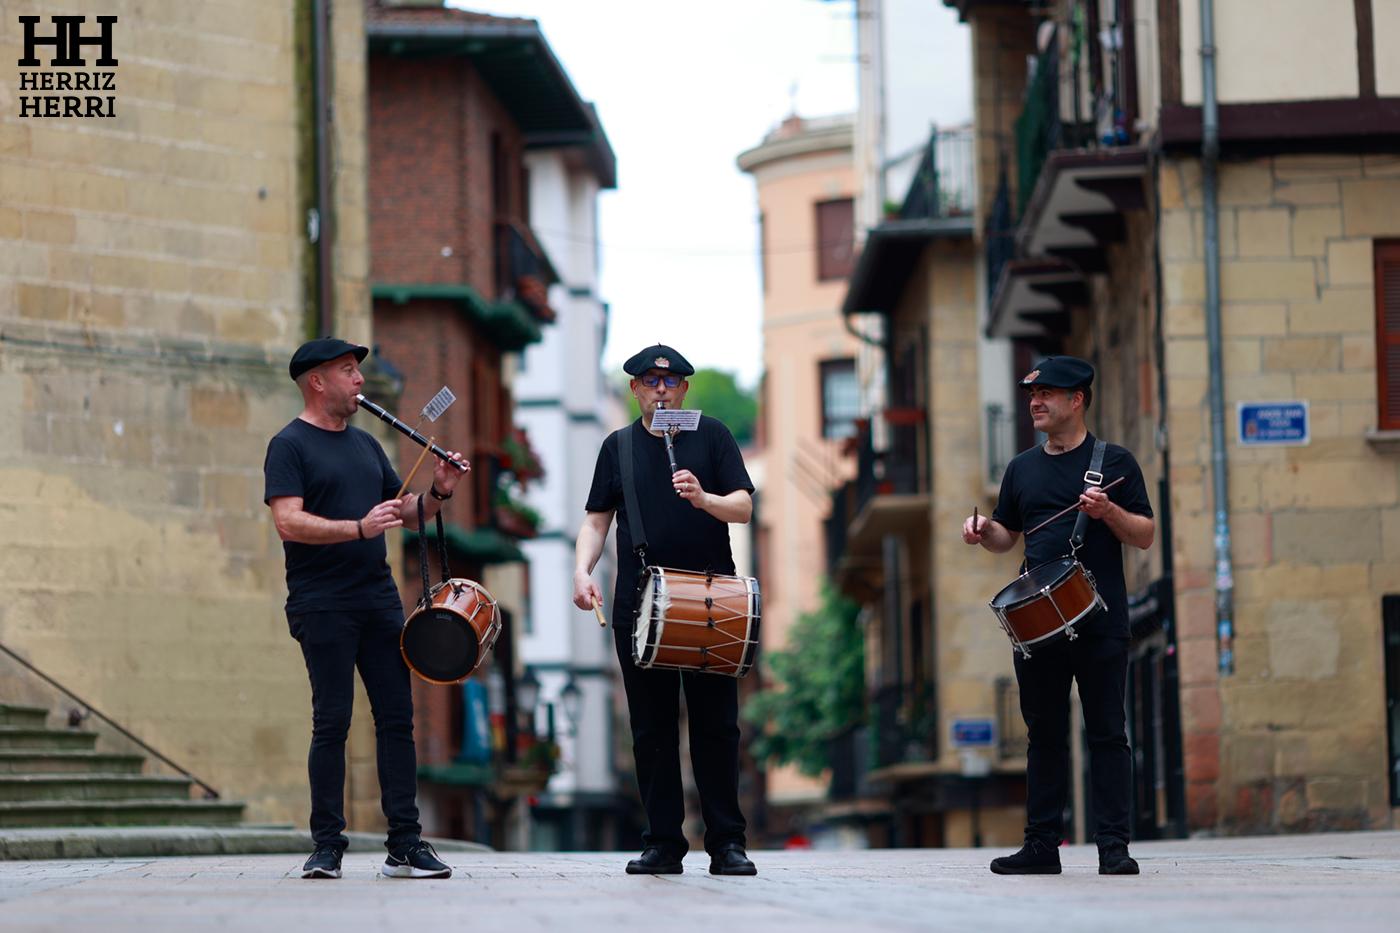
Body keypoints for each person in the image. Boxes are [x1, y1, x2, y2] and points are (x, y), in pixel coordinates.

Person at [264, 338, 467, 880]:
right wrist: (356, 528)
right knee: (331, 722)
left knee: (397, 719)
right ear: (317, 381)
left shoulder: (368, 444)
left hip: (376, 598)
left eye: (358, 371)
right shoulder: (288, 446)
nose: (359, 381)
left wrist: (439, 492)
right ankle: (327, 846)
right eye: (348, 371)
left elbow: (402, 512)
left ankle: (405, 843)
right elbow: (288, 521)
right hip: (321, 602)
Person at [962, 357, 1154, 876]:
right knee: (1043, 736)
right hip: (1038, 624)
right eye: (1032, 393)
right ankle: (1042, 847)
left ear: (1078, 400)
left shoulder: (1115, 462)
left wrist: (1108, 512)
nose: (1035, 401)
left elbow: (1144, 534)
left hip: (1101, 618)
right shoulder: (1021, 468)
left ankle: (1113, 846)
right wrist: (984, 534)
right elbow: (1007, 536)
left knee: (1107, 734)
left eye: (1048, 392)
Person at [572, 344, 758, 876]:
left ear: (684, 390)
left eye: (671, 382)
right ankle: (663, 844)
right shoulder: (619, 447)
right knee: (650, 727)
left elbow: (743, 506)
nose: (661, 389)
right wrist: (582, 571)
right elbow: (595, 521)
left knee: (716, 726)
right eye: (650, 382)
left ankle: (727, 843)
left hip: (710, 596)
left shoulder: (713, 435)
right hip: (640, 599)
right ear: (634, 389)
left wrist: (704, 498)